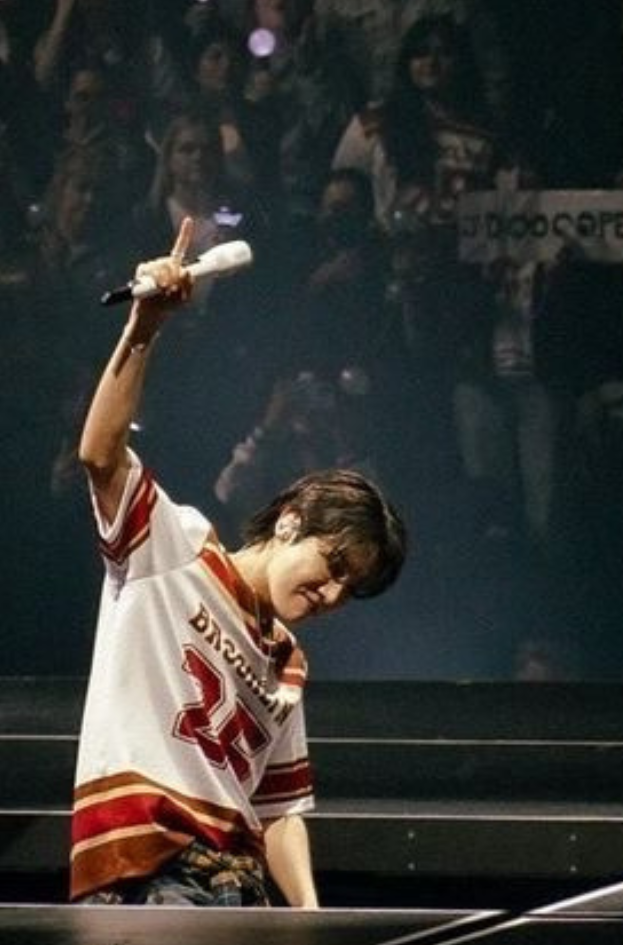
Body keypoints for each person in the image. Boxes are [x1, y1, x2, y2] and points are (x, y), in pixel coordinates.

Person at [69, 216, 406, 907]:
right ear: (290, 522)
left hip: (236, 888)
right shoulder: (176, 548)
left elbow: (280, 809)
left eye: (353, 588)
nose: (335, 593)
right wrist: (144, 327)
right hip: (149, 874)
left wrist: (310, 915)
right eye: (334, 563)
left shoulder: (287, 663)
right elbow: (101, 455)